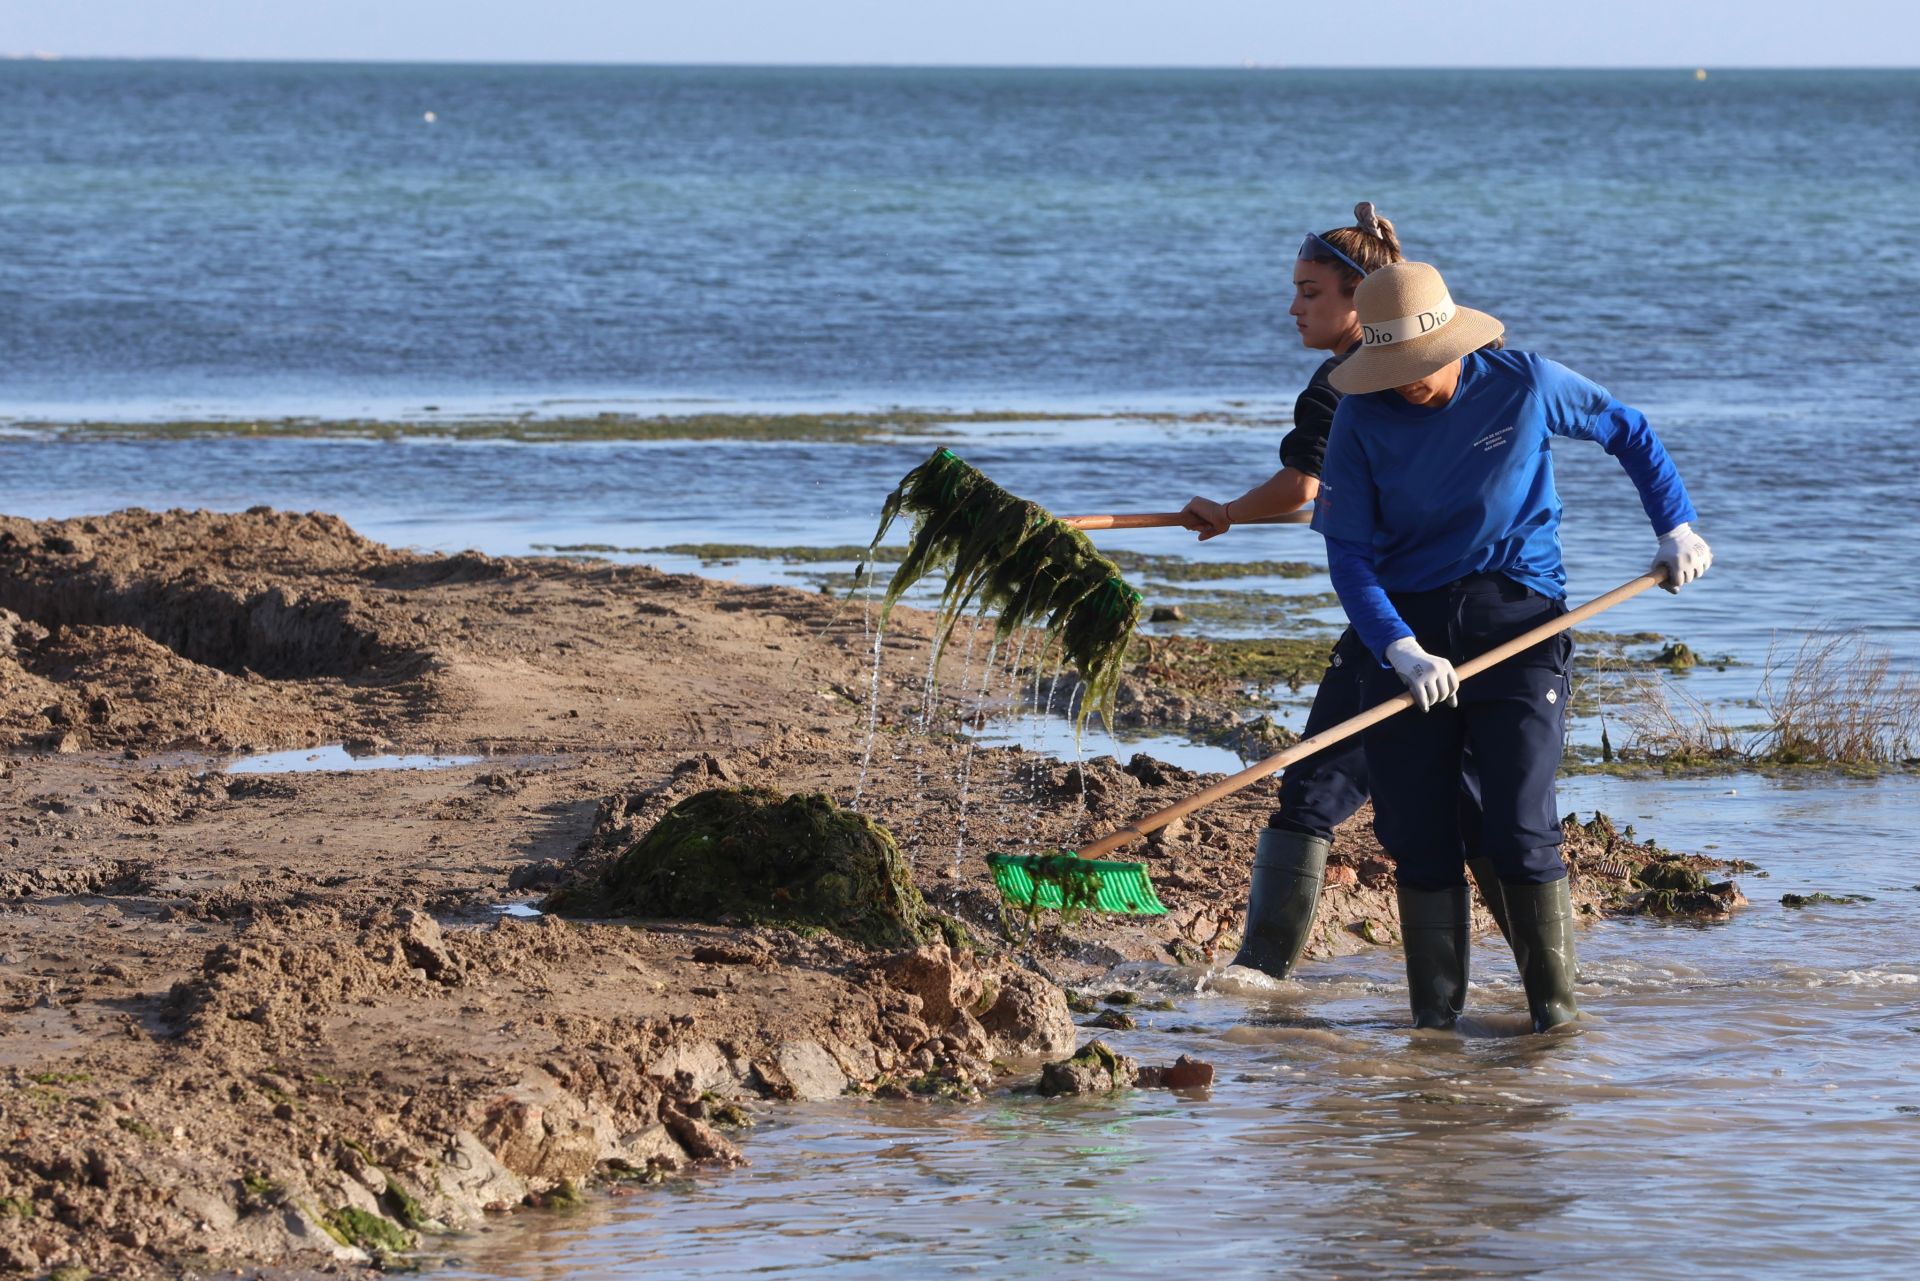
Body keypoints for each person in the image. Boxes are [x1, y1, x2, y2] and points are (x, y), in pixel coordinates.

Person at [1311, 260, 1711, 1032]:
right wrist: (1398, 647)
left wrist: (1676, 527)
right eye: (1392, 368)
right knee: (1418, 838)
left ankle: (1555, 1030)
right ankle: (1434, 1035)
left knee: (1521, 826)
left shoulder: (1523, 384)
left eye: (1420, 367)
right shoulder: (1362, 415)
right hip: (1411, 631)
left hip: (1522, 624)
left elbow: (1626, 429)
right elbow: (1348, 557)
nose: (1409, 383)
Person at [1180, 203, 1508, 982]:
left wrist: (1226, 512)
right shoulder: (1446, 367)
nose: (1292, 306)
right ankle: (1545, 987)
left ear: (1360, 299)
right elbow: (1333, 494)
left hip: (1396, 620)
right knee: (1471, 812)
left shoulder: (1343, 384)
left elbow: (1305, 481)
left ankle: (1257, 979)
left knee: (1312, 791)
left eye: (1309, 291)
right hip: (1488, 607)